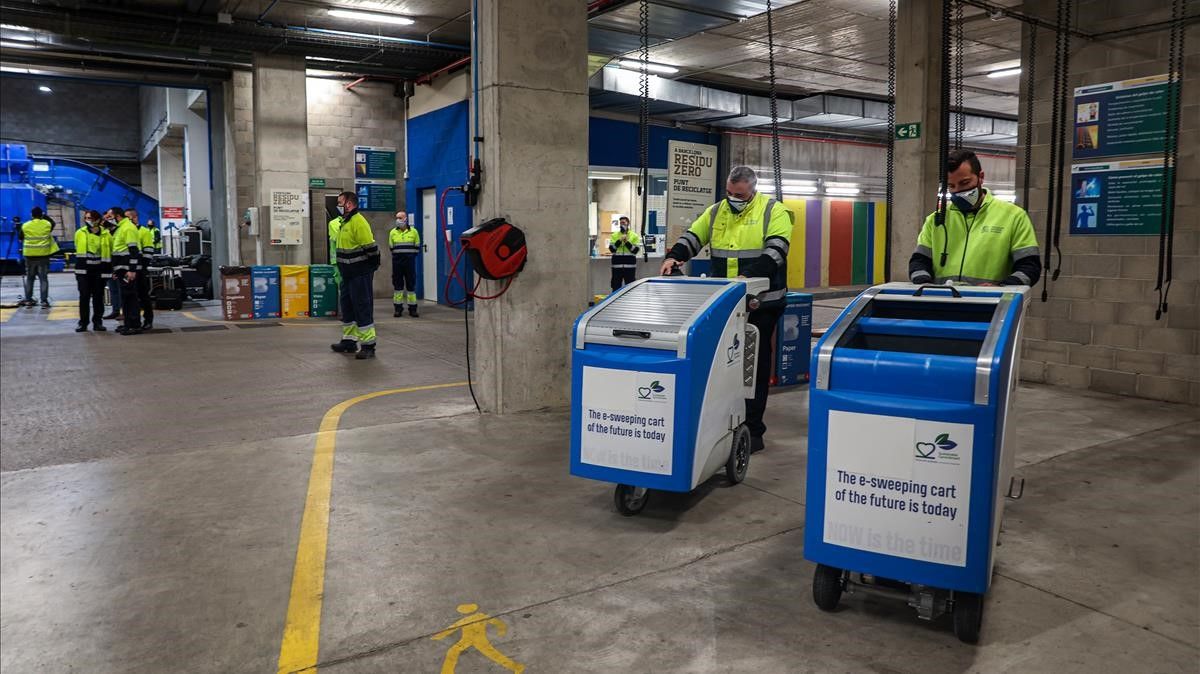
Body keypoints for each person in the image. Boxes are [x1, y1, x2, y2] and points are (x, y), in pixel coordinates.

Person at [660, 166, 791, 454]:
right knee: (726, 363)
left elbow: (776, 251)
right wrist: (674, 257)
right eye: (730, 193)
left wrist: (750, 277)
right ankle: (723, 423)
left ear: (752, 190)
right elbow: (694, 237)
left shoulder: (774, 211)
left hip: (761, 303)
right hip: (726, 302)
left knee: (752, 367)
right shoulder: (717, 210)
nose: (734, 198)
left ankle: (753, 430)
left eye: (740, 195)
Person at [908, 149, 1042, 287]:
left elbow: (1029, 266)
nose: (958, 191)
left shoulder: (1013, 217)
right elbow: (919, 261)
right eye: (951, 186)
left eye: (965, 183)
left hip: (992, 304)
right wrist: (924, 284)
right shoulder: (935, 221)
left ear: (981, 177)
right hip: (942, 302)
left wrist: (1002, 288)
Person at [330, 192, 380, 359]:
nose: (338, 205)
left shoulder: (358, 222)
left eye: (340, 202)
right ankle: (349, 342)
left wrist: (369, 268)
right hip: (347, 274)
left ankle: (368, 345)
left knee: (362, 307)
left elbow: (371, 248)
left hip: (359, 274)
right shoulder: (345, 222)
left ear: (349, 204)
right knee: (348, 307)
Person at [74, 210, 111, 332]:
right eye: (86, 218)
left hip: (99, 271)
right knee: (84, 297)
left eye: (90, 218)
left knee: (98, 298)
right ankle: (83, 323)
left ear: (98, 220)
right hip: (83, 271)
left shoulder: (106, 234)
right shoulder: (80, 233)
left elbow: (109, 251)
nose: (88, 220)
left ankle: (97, 322)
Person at [110, 207, 144, 335]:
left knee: (130, 297)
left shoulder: (128, 228)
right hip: (121, 269)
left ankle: (134, 325)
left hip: (127, 270)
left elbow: (134, 251)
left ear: (117, 216)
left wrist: (132, 270)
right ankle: (128, 323)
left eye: (109, 216)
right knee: (125, 297)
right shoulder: (120, 228)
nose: (107, 219)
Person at [18, 206, 59, 308]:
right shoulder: (47, 224)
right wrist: (44, 216)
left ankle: (28, 301)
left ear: (31, 215)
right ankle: (44, 302)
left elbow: (20, 238)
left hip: (29, 255)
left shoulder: (25, 225)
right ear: (42, 215)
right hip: (43, 255)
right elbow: (53, 223)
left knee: (30, 278)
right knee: (43, 279)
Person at [123, 209, 155, 330]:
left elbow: (148, 251)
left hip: (139, 270)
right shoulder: (125, 230)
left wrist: (141, 267)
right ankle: (132, 321)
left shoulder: (144, 231)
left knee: (143, 296)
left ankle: (148, 320)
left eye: (127, 218)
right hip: (128, 269)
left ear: (134, 218)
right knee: (130, 296)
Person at [388, 211, 421, 317]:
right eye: (397, 218)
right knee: (398, 287)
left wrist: (409, 257)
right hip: (397, 263)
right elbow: (391, 247)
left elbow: (417, 247)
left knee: (411, 286)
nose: (398, 220)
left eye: (400, 218)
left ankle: (413, 309)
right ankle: (398, 309)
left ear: (405, 219)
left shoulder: (414, 232)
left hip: (410, 263)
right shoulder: (392, 232)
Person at [608, 216, 641, 291]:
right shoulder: (614, 235)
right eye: (620, 223)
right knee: (615, 287)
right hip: (617, 267)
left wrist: (626, 241)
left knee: (630, 288)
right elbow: (612, 249)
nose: (621, 224)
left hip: (630, 267)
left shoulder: (634, 235)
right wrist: (619, 240)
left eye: (623, 222)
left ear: (628, 223)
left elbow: (635, 251)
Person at [101, 209, 124, 321]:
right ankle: (115, 311)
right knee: (113, 289)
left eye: (109, 217)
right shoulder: (105, 232)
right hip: (109, 265)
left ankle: (125, 311)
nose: (106, 220)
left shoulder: (119, 231)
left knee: (121, 290)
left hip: (118, 265)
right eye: (105, 218)